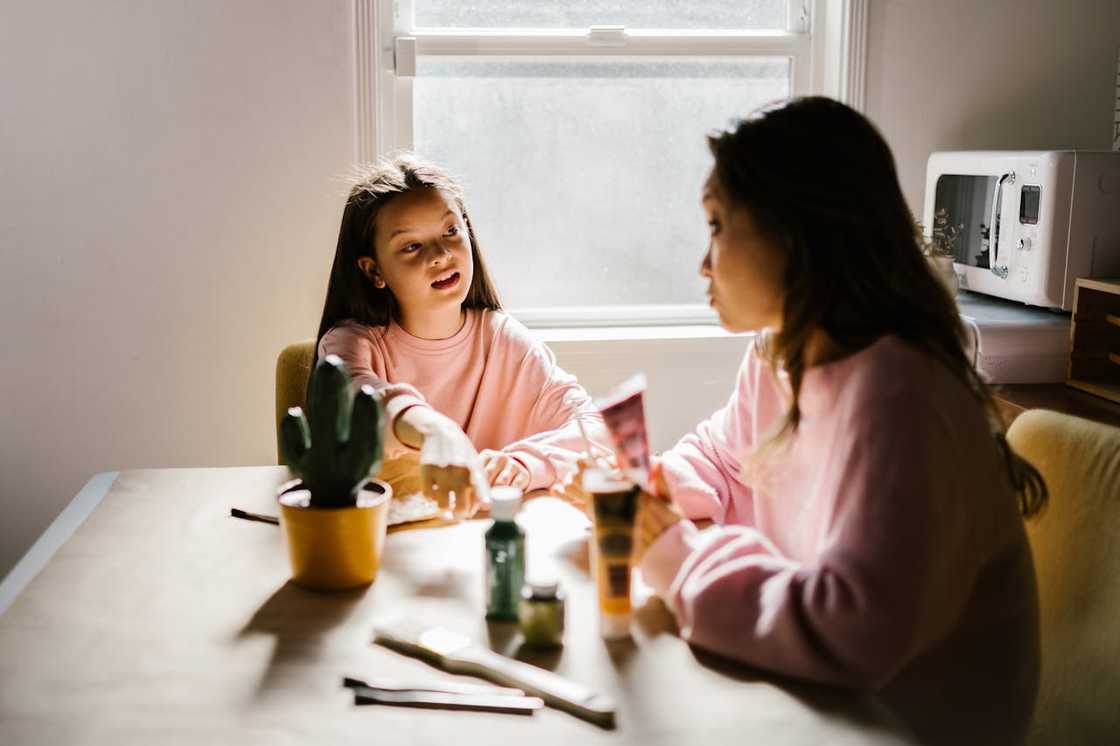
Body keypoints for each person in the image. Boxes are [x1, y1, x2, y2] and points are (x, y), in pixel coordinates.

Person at [634, 97, 1045, 745]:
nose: (703, 265)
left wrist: (673, 552)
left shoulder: (900, 394)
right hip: (822, 707)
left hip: (905, 727)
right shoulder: (783, 353)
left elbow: (853, 628)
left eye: (716, 224)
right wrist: (651, 488)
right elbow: (723, 455)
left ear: (795, 235)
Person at [313, 154, 609, 514]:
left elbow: (595, 430)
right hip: (388, 549)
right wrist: (437, 432)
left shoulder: (506, 341)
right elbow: (357, 401)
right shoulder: (350, 344)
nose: (440, 255)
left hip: (483, 540)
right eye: (411, 246)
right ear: (374, 270)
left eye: (450, 231)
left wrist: (522, 465)